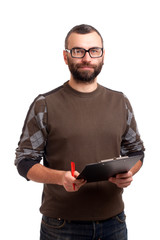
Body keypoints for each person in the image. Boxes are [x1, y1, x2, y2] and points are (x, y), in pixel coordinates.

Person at [15, 24, 145, 240]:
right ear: (66, 57)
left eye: (94, 51)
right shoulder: (44, 104)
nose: (87, 58)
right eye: (78, 51)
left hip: (114, 223)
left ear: (103, 56)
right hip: (61, 227)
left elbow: (137, 152)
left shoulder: (120, 102)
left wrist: (130, 172)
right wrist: (60, 178)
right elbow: (24, 161)